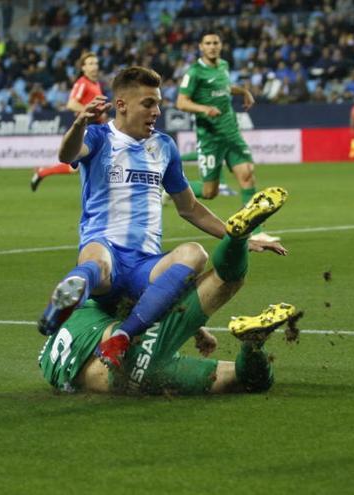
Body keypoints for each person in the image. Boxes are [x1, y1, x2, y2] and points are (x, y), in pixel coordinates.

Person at [39, 65, 288, 371]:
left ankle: (120, 337)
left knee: (194, 253)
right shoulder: (99, 137)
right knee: (97, 262)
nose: (156, 111)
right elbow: (67, 155)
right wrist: (79, 123)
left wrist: (241, 238)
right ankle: (64, 300)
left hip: (146, 266)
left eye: (157, 103)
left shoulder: (164, 146)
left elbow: (190, 208)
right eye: (148, 103)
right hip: (107, 253)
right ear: (121, 105)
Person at [38, 206, 298, 395]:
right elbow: (142, 306)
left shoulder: (51, 358)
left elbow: (140, 305)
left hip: (132, 378)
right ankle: (236, 240)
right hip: (123, 358)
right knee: (224, 281)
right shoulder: (91, 311)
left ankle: (253, 345)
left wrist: (196, 329)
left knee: (239, 380)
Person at [176, 31, 279, 243]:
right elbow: (181, 102)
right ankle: (173, 189)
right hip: (210, 138)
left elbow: (223, 88)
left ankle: (256, 232)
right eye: (208, 43)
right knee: (209, 192)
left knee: (248, 175)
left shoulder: (223, 65)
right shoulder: (194, 72)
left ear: (220, 46)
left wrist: (243, 91)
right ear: (201, 47)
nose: (212, 46)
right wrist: (204, 109)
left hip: (231, 133)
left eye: (215, 43)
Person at [31, 52, 107, 191]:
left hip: (97, 128)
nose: (94, 66)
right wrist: (89, 112)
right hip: (86, 128)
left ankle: (42, 172)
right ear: (83, 68)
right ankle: (42, 172)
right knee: (80, 166)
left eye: (96, 63)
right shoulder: (82, 83)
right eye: (90, 64)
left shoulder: (96, 84)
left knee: (86, 166)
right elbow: (71, 103)